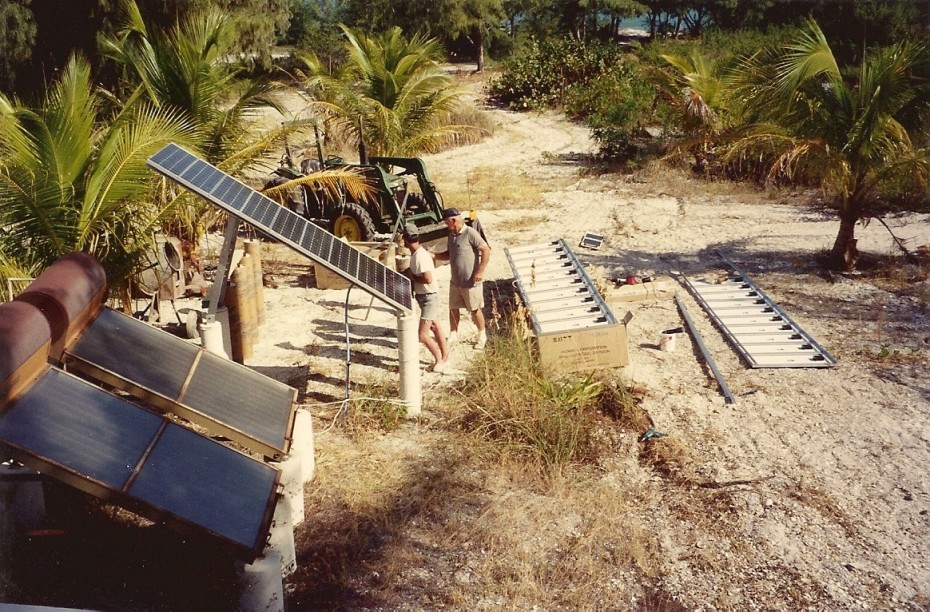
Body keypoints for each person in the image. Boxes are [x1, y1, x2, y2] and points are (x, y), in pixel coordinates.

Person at [434, 207, 491, 349]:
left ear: (453, 221)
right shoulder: (451, 235)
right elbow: (449, 254)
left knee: (474, 309)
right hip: (455, 281)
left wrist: (480, 271)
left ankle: (482, 336)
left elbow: (485, 249)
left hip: (470, 282)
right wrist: (434, 255)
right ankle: (453, 334)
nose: (446, 225)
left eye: (447, 222)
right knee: (453, 308)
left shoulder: (470, 233)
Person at [401, 223, 449, 373]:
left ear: (404, 239)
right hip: (426, 297)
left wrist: (412, 277)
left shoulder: (420, 257)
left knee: (422, 334)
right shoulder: (419, 254)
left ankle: (439, 360)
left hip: (429, 298)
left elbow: (427, 279)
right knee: (435, 326)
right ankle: (445, 355)